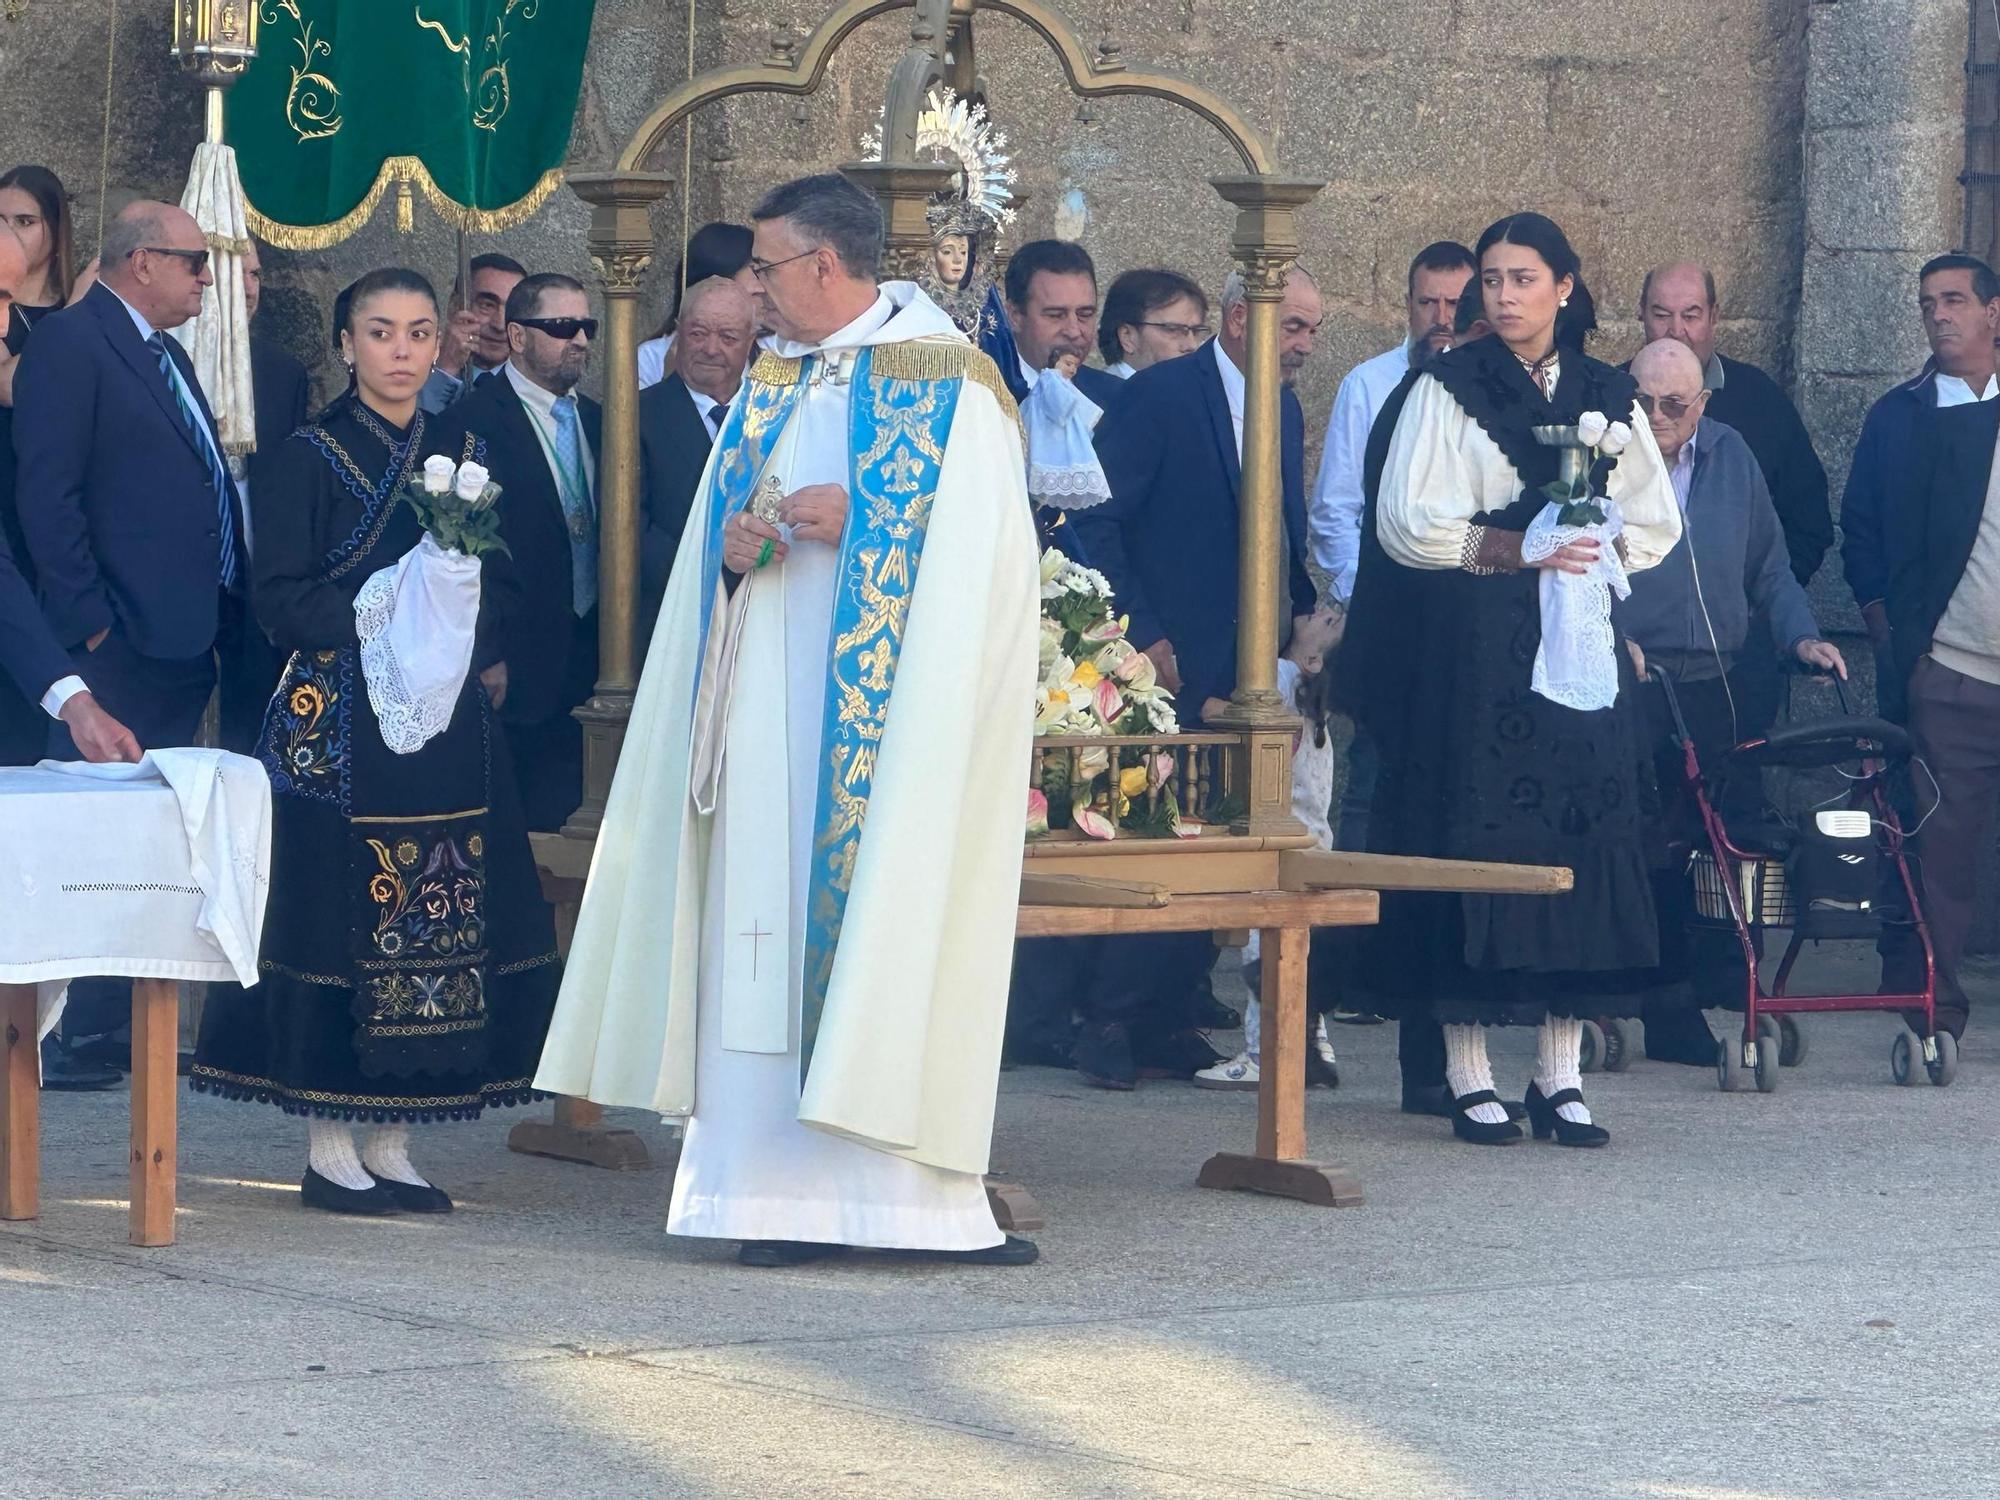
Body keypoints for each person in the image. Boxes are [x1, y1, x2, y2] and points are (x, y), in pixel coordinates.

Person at [534, 173, 1040, 1268]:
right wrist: (732, 549)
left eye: (762, 269)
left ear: (823, 264)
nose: (748, 291)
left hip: (888, 738)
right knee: (754, 942)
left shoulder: (951, 386)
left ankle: (910, 1207)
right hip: (764, 716)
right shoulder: (772, 383)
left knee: (885, 937)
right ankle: (765, 1197)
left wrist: (869, 520)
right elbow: (720, 533)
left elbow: (996, 567)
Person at [190, 267, 559, 1215]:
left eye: (420, 333)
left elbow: (507, 586)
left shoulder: (471, 449)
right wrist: (392, 617)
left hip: (445, 725)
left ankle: (396, 1137)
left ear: (442, 344)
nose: (402, 351)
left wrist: (458, 640)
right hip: (340, 718)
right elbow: (278, 599)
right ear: (347, 346)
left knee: (437, 905)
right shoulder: (305, 457)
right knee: (343, 911)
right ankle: (328, 1143)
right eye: (382, 332)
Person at [1348, 212, 1680, 1147]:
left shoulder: (1609, 392)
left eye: (1523, 279)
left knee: (1577, 839)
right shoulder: (1446, 386)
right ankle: (1467, 1071)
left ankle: (1561, 1072)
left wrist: (1595, 541)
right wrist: (1510, 546)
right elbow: (1406, 519)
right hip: (1477, 645)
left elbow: (1655, 520)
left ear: (1565, 288)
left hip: (1576, 644)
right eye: (1490, 281)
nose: (1503, 297)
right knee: (1478, 833)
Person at [1058, 265, 1322, 1090]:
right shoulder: (1163, 395)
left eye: (1313, 329)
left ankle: (1173, 1016)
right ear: (1243, 319)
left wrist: (1300, 621)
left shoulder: (1278, 404)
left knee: (1218, 841)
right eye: (1298, 326)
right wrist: (1141, 637)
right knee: (1153, 835)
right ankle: (1107, 1020)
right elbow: (1095, 521)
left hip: (1246, 659)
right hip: (1164, 656)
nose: (1308, 345)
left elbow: (1280, 524)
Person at [1619, 338, 1845, 1064]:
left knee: (1714, 845)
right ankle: (1664, 1008)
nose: (1657, 417)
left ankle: (1720, 989)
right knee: (1649, 847)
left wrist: (1802, 638)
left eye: (1674, 405)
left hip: (1714, 679)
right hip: (1633, 677)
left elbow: (1771, 568)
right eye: (1644, 401)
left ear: (1703, 405)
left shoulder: (1732, 457)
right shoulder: (1604, 460)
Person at [1312, 240, 1477, 950]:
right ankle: (1355, 951)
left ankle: (1432, 943)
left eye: (1453, 303)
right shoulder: (1367, 385)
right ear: (1407, 306)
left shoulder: (1495, 390)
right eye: (1426, 302)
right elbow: (1334, 512)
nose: (1440, 317)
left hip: (1471, 625)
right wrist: (1371, 599)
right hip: (1388, 621)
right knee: (1371, 780)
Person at [438, 272, 602, 832]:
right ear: (516, 336)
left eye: (586, 326)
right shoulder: (470, 423)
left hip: (594, 659)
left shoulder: (602, 422)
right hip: (516, 660)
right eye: (560, 327)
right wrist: (484, 653)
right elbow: (455, 548)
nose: (578, 339)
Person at [1877, 387, 2000, 1044]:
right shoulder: (1961, 428)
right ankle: (1936, 1012)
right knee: (1942, 859)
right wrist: (1913, 651)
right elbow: (1907, 539)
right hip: (1958, 671)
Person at [1194, 607, 1345, 1090]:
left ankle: (1264, 1052)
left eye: (1322, 622)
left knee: (1266, 954)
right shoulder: (1314, 703)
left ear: (1315, 658)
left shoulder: (1282, 679)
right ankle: (1313, 1044)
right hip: (1316, 848)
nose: (1312, 613)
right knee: (1301, 954)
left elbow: (1216, 710)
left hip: (1282, 850)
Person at [1841, 253, 2000, 690]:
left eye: (1953, 300)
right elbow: (1861, 525)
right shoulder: (1896, 416)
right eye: (1928, 305)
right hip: (1930, 659)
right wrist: (1881, 624)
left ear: (1993, 312)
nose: (1939, 315)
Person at [216, 236, 313, 755]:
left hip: (257, 602)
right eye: (235, 273)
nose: (249, 289)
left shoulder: (283, 374)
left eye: (255, 275)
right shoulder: (162, 363)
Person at [0, 165, 81, 765]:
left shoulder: (78, 320)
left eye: (25, 221)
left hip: (49, 515)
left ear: (55, 230)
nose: (10, 234)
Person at [639, 275, 754, 638]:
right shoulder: (636, 416)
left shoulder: (772, 413)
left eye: (728, 337)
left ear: (751, 342)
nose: (711, 348)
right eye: (698, 333)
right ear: (677, 333)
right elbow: (628, 530)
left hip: (757, 616)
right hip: (670, 619)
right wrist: (712, 567)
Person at [1004, 239, 1124, 409]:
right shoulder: (983, 396)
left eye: (1085, 314)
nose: (1074, 331)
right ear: (1015, 316)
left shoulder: (1117, 397)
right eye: (1056, 315)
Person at [636, 222, 755, 390]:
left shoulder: (774, 351)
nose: (763, 287)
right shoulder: (649, 358)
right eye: (756, 271)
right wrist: (673, 384)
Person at [419, 251, 525, 414]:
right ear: (455, 305)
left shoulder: (536, 387)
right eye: (487, 305)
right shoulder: (410, 373)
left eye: (513, 308)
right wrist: (447, 368)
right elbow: (413, 434)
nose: (500, 325)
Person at [1097, 269, 1208, 378]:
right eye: (1173, 329)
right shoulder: (1101, 395)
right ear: (1127, 337)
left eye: (1196, 331)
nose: (1191, 345)